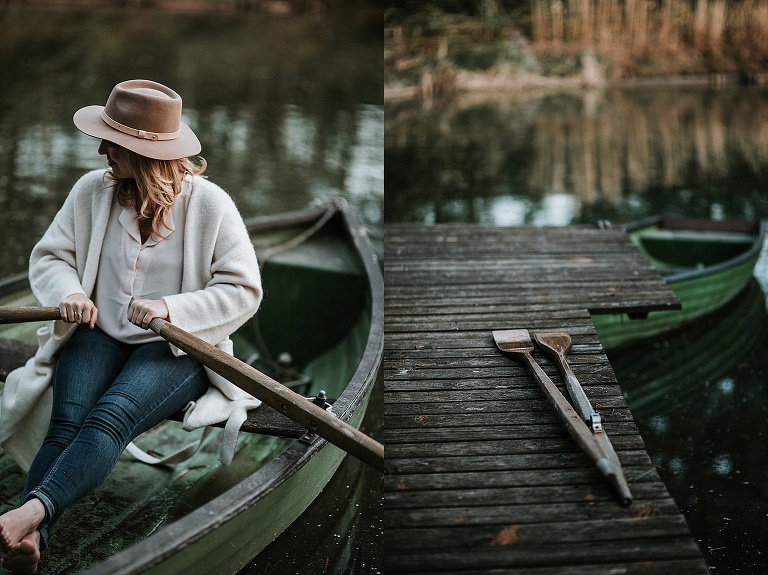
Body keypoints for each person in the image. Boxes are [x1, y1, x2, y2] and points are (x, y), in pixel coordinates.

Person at [0, 79, 263, 573]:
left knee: (109, 418)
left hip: (177, 349)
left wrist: (171, 308)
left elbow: (243, 291)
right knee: (66, 424)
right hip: (99, 335)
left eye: (111, 141)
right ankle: (33, 537)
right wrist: (70, 293)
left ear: (143, 152)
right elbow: (52, 257)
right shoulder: (91, 191)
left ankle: (26, 514)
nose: (100, 148)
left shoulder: (210, 206)